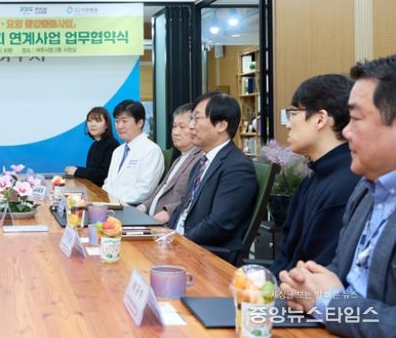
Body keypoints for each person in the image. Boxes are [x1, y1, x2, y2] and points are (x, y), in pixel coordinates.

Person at [280, 55, 396, 336]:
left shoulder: (347, 184)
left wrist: (332, 305)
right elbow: (339, 272)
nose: (346, 131)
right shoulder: (366, 189)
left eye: (356, 118)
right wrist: (301, 287)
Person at [270, 75, 360, 275]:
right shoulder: (314, 177)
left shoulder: (346, 185)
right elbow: (286, 252)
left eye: (293, 113)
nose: (288, 124)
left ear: (320, 119)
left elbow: (318, 273)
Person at [168, 91, 257, 264]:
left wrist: (179, 242)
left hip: (206, 258)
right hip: (181, 246)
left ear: (221, 125)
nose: (191, 126)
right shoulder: (202, 162)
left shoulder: (237, 167)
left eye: (196, 118)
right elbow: (184, 208)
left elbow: (218, 224)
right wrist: (166, 236)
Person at [137, 103, 201, 223]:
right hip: (149, 219)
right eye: (174, 126)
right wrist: (142, 207)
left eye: (182, 127)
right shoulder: (179, 158)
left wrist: (168, 213)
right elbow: (159, 193)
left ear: (195, 127)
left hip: (168, 224)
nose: (175, 132)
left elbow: (194, 199)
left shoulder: (201, 159)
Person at [102, 99, 164, 205]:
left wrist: (115, 202)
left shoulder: (152, 151)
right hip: (110, 205)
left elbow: (144, 190)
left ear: (139, 123)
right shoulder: (117, 151)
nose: (119, 126)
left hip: (131, 208)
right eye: (117, 121)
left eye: (124, 121)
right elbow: (109, 182)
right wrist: (103, 199)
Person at [64, 106, 119, 187]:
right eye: (89, 121)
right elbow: (91, 171)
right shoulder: (94, 145)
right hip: (92, 190)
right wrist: (74, 169)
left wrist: (77, 171)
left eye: (98, 121)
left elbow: (104, 175)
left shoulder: (112, 145)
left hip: (104, 192)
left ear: (107, 125)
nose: (92, 124)